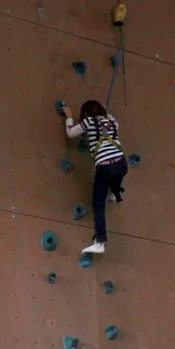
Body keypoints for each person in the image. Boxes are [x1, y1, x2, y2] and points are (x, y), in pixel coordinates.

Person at [63, 99, 126, 256]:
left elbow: (71, 133)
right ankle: (114, 195)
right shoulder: (112, 122)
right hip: (121, 162)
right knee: (116, 179)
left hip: (104, 166)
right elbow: (109, 116)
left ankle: (99, 242)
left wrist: (69, 117)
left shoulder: (88, 122)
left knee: (98, 205)